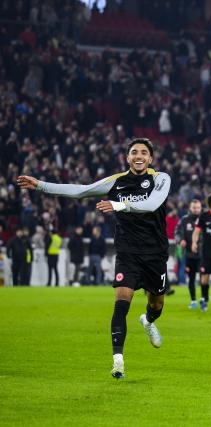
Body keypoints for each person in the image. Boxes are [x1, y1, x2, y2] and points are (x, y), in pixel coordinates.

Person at [18, 138, 171, 379]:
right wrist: (41, 186)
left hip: (155, 255)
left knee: (157, 305)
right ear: (127, 158)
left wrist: (119, 205)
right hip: (128, 254)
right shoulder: (116, 182)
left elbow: (152, 205)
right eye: (134, 152)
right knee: (121, 302)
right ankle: (118, 361)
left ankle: (149, 321)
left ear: (150, 158)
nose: (138, 155)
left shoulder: (160, 179)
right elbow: (81, 191)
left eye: (143, 152)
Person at [175, 199, 203, 309]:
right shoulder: (184, 220)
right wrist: (180, 240)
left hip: (202, 254)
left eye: (198, 208)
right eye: (194, 208)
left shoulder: (204, 219)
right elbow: (177, 232)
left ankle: (203, 298)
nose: (196, 210)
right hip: (189, 254)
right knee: (191, 278)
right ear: (190, 208)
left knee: (203, 277)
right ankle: (193, 301)